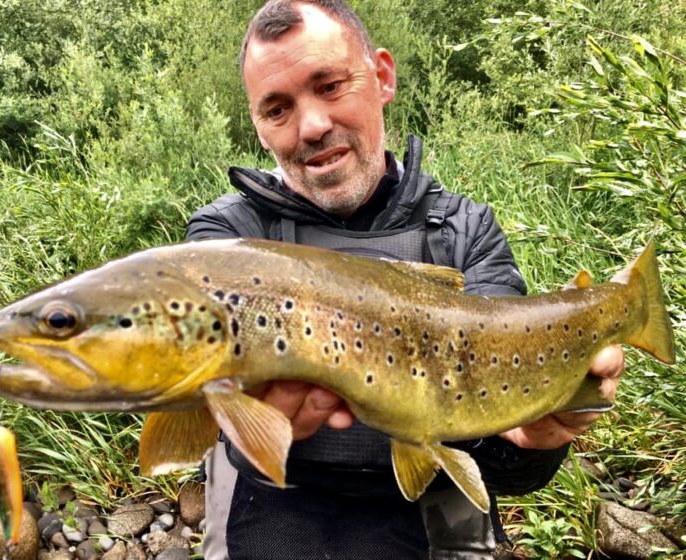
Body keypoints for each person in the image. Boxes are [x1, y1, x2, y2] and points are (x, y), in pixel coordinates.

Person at [185, 1, 626, 558]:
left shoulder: (465, 232)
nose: (312, 126)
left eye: (329, 85)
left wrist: (533, 438)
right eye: (277, 109)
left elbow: (510, 468)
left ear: (383, 77)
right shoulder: (226, 234)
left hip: (430, 495)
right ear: (259, 124)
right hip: (275, 495)